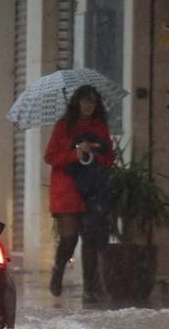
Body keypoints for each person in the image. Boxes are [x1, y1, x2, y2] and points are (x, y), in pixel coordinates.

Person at [42, 85, 115, 303]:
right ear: (77, 103)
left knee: (90, 239)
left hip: (92, 189)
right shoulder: (63, 126)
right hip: (67, 190)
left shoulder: (100, 127)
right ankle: (59, 268)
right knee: (69, 238)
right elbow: (50, 156)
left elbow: (109, 157)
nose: (87, 106)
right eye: (84, 101)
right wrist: (75, 154)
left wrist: (94, 153)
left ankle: (90, 288)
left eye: (91, 102)